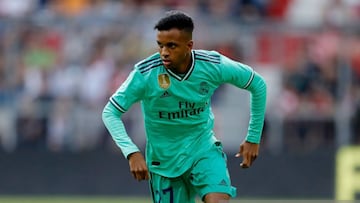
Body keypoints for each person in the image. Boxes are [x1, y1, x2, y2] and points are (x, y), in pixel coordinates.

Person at [102, 10, 267, 203]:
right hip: (164, 163)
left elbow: (258, 85)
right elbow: (110, 112)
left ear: (189, 46)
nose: (164, 52)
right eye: (160, 45)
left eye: (171, 46)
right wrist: (131, 152)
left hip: (203, 150)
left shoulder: (211, 65)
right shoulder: (145, 74)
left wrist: (253, 138)